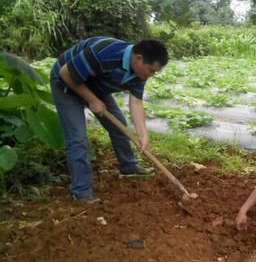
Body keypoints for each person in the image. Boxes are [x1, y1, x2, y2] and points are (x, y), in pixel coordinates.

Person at [50, 37, 169, 203]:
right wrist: (92, 100)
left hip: (95, 85)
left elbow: (136, 101)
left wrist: (143, 135)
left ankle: (129, 167)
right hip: (66, 84)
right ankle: (82, 192)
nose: (151, 75)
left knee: (120, 126)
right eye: (151, 70)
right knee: (77, 138)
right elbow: (66, 73)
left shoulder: (139, 73)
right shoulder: (105, 52)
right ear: (138, 58)